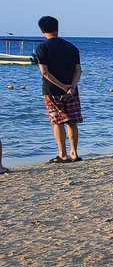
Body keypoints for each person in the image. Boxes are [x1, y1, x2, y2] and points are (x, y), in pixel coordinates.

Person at [35, 16, 83, 164]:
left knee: (57, 122)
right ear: (57, 28)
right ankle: (74, 153)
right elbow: (78, 70)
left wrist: (62, 87)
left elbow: (44, 72)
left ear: (42, 30)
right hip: (72, 91)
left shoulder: (42, 48)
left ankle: (62, 154)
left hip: (51, 91)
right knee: (72, 121)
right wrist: (71, 87)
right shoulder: (72, 47)